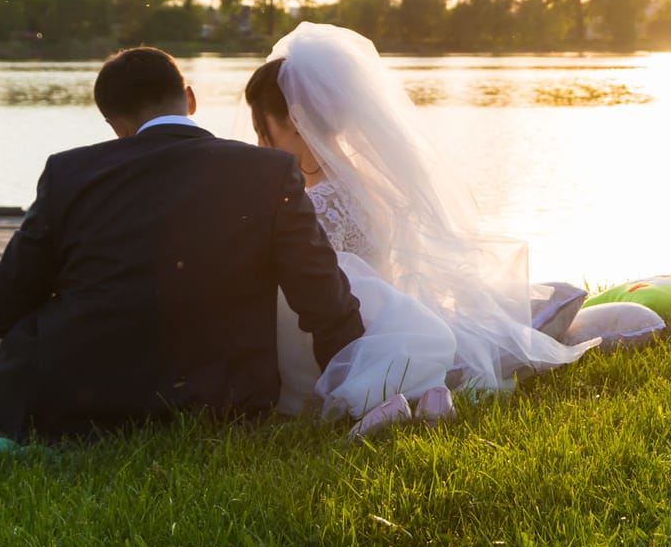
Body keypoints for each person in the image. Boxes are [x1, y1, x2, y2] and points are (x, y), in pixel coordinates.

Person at [0, 46, 366, 442]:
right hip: (226, 402)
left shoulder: (70, 173)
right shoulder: (270, 171)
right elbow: (322, 298)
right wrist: (354, 390)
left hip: (81, 406)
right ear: (189, 99)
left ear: (114, 125)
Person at [244, 23, 595, 433]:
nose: (260, 143)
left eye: (263, 129)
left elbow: (308, 292)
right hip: (391, 324)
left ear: (296, 121)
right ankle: (415, 393)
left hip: (338, 339)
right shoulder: (369, 182)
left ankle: (376, 396)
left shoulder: (317, 203)